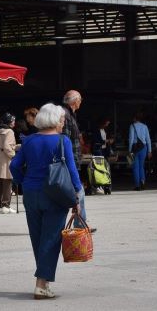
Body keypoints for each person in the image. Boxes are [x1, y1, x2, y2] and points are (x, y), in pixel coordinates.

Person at [10, 103, 82, 300]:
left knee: (38, 237)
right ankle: (41, 284)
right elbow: (72, 169)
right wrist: (77, 192)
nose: (63, 122)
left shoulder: (29, 140)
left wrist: (21, 181)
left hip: (31, 193)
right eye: (62, 120)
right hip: (55, 193)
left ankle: (44, 281)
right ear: (55, 121)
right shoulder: (62, 140)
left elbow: (14, 165)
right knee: (51, 239)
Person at [62, 90, 94, 231]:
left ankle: (80, 223)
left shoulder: (71, 114)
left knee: (77, 191)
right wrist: (68, 161)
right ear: (74, 101)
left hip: (72, 160)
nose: (81, 102)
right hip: (69, 161)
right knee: (78, 191)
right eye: (80, 99)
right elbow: (65, 140)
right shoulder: (66, 115)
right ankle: (80, 225)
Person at [0, 112, 18, 214]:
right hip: (5, 158)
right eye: (13, 120)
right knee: (7, 182)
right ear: (10, 122)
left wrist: (16, 146)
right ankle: (6, 205)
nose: (14, 122)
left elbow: (4, 145)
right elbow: (7, 147)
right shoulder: (10, 132)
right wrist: (14, 155)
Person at [128, 111, 152, 191]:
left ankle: (137, 185)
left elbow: (131, 139)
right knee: (142, 166)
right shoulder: (145, 126)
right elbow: (148, 139)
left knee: (135, 167)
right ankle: (143, 182)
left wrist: (129, 150)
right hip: (144, 148)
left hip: (135, 148)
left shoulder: (132, 126)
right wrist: (150, 151)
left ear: (134, 118)